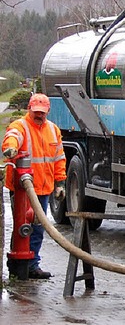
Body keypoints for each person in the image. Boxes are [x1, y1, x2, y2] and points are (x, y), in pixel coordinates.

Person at [2, 93, 66, 279]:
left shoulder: (53, 130)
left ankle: (32, 264)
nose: (39, 115)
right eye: (36, 112)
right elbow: (12, 137)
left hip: (43, 188)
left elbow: (59, 159)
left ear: (48, 111)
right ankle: (17, 263)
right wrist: (10, 148)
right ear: (29, 108)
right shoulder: (20, 126)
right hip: (22, 188)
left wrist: (60, 182)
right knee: (22, 226)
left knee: (37, 227)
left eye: (42, 112)